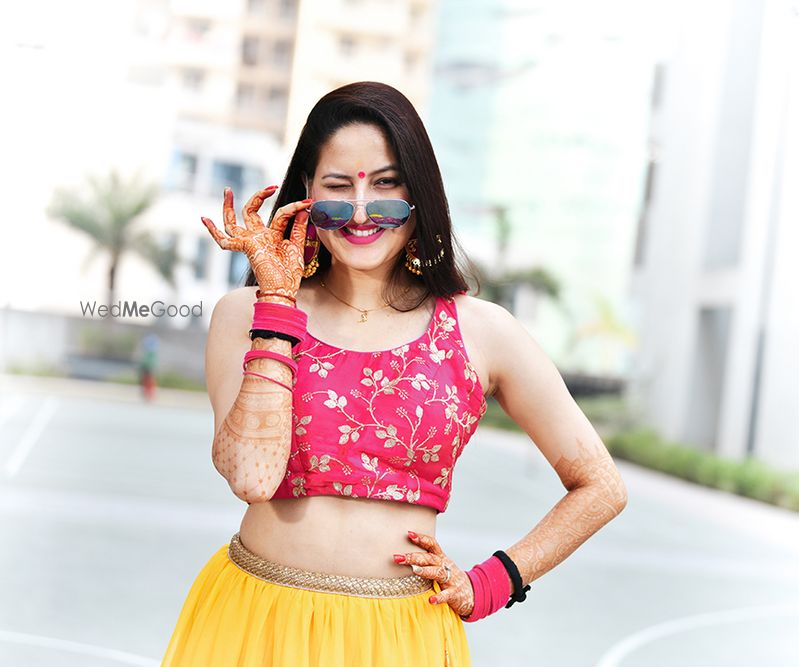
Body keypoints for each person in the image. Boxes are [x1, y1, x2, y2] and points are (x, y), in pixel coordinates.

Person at [160, 81, 629, 666]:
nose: (361, 211)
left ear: (420, 192)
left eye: (385, 185)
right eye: (337, 186)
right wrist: (278, 304)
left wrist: (493, 583)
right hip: (255, 622)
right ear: (305, 191)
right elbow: (252, 477)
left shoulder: (482, 330)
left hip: (398, 637)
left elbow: (601, 486)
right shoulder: (248, 314)